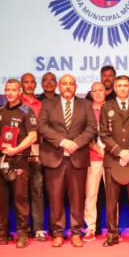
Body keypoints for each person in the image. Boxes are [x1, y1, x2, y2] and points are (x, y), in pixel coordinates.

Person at [37, 74, 97, 247]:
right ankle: (58, 233)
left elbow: (92, 128)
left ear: (76, 87)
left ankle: (76, 233)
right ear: (59, 86)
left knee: (77, 199)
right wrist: (62, 142)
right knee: (55, 198)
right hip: (54, 158)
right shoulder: (48, 104)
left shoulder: (85, 104)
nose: (68, 86)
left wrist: (76, 143)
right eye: (64, 84)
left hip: (77, 158)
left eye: (71, 84)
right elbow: (42, 126)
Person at [0, 79, 38, 248]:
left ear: (20, 92)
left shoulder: (26, 111)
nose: (10, 93)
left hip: (18, 161)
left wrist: (16, 149)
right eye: (7, 89)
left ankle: (22, 234)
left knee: (20, 199)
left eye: (13, 90)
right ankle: (0, 234)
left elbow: (33, 136)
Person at [99, 75, 129, 247]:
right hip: (113, 159)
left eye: (126, 85)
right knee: (111, 201)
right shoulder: (106, 107)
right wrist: (120, 152)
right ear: (115, 87)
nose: (122, 88)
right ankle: (112, 235)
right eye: (119, 85)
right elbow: (104, 134)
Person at [20, 73, 47, 241]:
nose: (29, 85)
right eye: (26, 82)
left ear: (35, 84)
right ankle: (23, 228)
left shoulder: (41, 104)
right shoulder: (15, 103)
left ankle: (38, 229)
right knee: (20, 193)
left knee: (37, 190)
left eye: (32, 82)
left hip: (37, 150)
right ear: (21, 84)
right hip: (18, 152)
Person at [83, 82, 107, 241]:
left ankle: (113, 229)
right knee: (91, 195)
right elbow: (82, 134)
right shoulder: (86, 110)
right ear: (91, 93)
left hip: (112, 158)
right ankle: (90, 229)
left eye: (101, 90)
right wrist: (98, 149)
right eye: (95, 91)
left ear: (106, 92)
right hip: (93, 158)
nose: (98, 93)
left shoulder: (112, 108)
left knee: (113, 196)